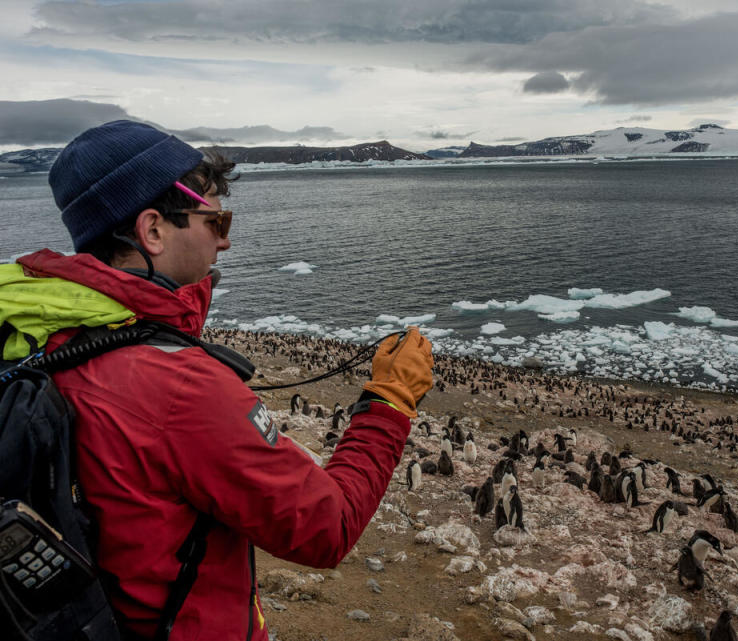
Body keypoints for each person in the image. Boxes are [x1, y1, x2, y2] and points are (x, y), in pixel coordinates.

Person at [10, 120, 433, 640]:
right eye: (216, 221)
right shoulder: (176, 385)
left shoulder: (39, 332)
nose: (227, 241)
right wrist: (389, 400)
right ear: (153, 230)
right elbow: (326, 529)